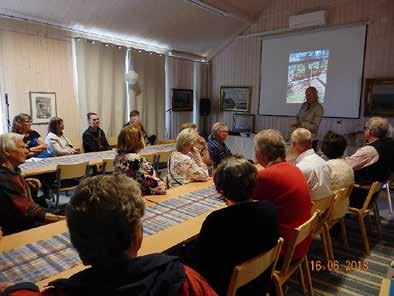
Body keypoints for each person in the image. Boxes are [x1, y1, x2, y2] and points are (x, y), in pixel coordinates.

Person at [0, 175, 217, 296]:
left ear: (77, 247)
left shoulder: (62, 292)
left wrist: (17, 287)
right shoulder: (182, 279)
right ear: (137, 239)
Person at [184, 156, 280, 295]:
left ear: (221, 189)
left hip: (225, 288)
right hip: (261, 282)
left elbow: (199, 262)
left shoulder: (217, 221)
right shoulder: (270, 209)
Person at [254, 129, 312, 260]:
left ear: (260, 154)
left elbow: (242, 204)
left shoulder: (266, 175)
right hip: (300, 243)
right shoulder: (294, 168)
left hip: (283, 248)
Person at [0, 133, 64, 235]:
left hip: (28, 219)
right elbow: (30, 211)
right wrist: (61, 219)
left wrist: (25, 183)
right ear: (7, 151)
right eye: (22, 147)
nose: (26, 151)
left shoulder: (14, 171)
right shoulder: (4, 179)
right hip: (21, 229)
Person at [345, 117, 394, 208]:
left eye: (365, 128)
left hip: (358, 195)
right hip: (372, 194)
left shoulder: (369, 151)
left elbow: (345, 166)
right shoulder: (390, 144)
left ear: (370, 131)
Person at [114, 125, 165, 195]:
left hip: (123, 196)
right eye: (141, 137)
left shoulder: (118, 158)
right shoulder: (139, 161)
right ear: (136, 141)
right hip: (139, 198)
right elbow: (160, 188)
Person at [291, 128, 332, 201]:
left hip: (309, 210)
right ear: (311, 143)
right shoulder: (323, 162)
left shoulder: (300, 168)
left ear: (293, 143)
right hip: (323, 209)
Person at [320, 131, 354, 220]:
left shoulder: (327, 168)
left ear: (323, 149)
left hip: (326, 214)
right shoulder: (348, 166)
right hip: (341, 209)